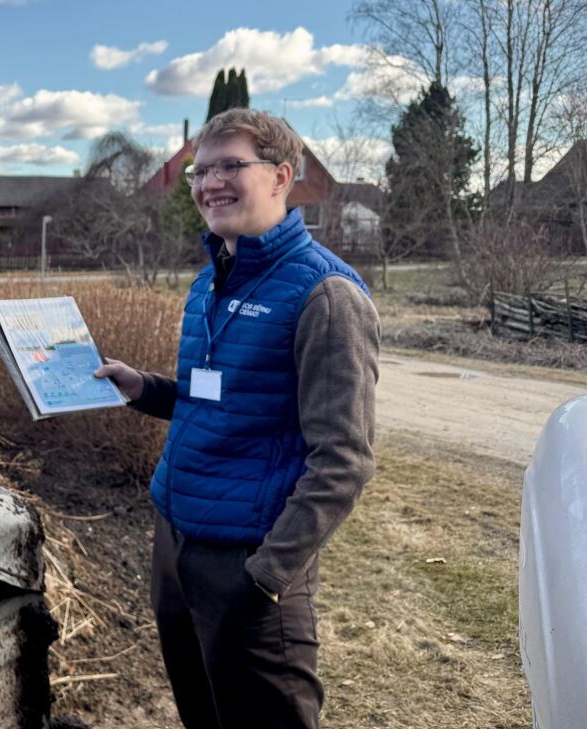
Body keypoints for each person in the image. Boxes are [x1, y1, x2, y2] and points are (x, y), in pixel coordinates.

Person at [95, 108, 379, 729]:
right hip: (177, 543)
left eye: (231, 166)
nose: (209, 182)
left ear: (281, 177)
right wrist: (141, 387)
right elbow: (213, 396)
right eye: (201, 169)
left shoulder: (325, 295)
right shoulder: (208, 284)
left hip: (248, 563)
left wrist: (269, 575)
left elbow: (345, 460)